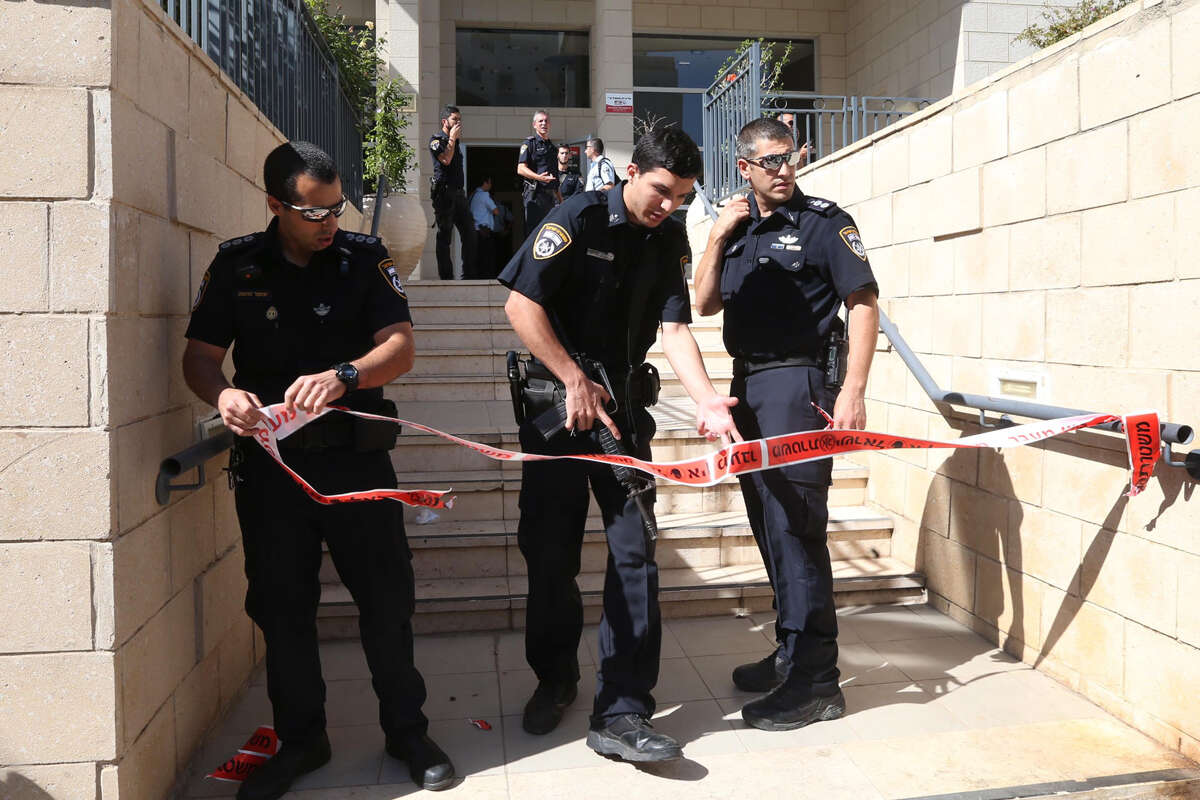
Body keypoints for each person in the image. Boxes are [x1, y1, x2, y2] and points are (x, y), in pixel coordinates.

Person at [182, 141, 456, 798]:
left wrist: (346, 376)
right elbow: (199, 357)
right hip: (273, 472)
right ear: (276, 205)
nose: (329, 222)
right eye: (313, 212)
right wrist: (223, 394)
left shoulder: (364, 258)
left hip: (356, 463)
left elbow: (401, 348)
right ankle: (303, 740)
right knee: (282, 609)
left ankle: (407, 731)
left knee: (385, 601)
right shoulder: (237, 265)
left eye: (335, 208)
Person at [499, 126, 742, 762]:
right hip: (557, 414)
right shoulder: (576, 217)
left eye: (682, 197)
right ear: (631, 172)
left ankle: (623, 710)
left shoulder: (669, 237)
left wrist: (706, 399)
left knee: (635, 552)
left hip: (625, 415)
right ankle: (555, 679)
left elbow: (675, 328)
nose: (668, 205)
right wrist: (571, 377)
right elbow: (521, 305)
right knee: (550, 555)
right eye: (661, 190)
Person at [692, 117, 879, 732]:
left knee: (797, 530)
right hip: (747, 386)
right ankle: (790, 652)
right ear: (744, 167)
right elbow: (704, 302)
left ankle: (816, 682)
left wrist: (852, 390)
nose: (784, 169)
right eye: (770, 161)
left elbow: (863, 303)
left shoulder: (824, 222)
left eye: (789, 157)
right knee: (769, 526)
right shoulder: (738, 226)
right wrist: (717, 235)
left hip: (798, 386)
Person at [430, 104, 477, 279]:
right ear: (445, 121)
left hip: (459, 194)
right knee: (445, 237)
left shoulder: (455, 142)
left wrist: (453, 140)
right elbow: (446, 160)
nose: (458, 122)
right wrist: (451, 138)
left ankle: (469, 276)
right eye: (454, 119)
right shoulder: (436, 140)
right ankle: (446, 278)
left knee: (470, 234)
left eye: (459, 119)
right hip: (444, 194)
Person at [517, 109, 560, 231]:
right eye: (540, 121)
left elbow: (555, 178)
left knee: (549, 233)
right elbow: (520, 169)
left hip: (551, 198)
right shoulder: (529, 144)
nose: (543, 123)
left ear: (549, 124)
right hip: (535, 195)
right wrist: (539, 177)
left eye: (546, 121)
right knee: (534, 233)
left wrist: (560, 199)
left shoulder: (552, 148)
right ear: (534, 125)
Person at [469, 175, 501, 279]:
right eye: (490, 183)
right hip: (484, 231)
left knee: (478, 255)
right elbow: (496, 211)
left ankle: (477, 277)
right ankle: (487, 277)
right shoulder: (484, 195)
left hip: (475, 230)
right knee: (487, 257)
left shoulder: (473, 195)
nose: (491, 185)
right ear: (485, 183)